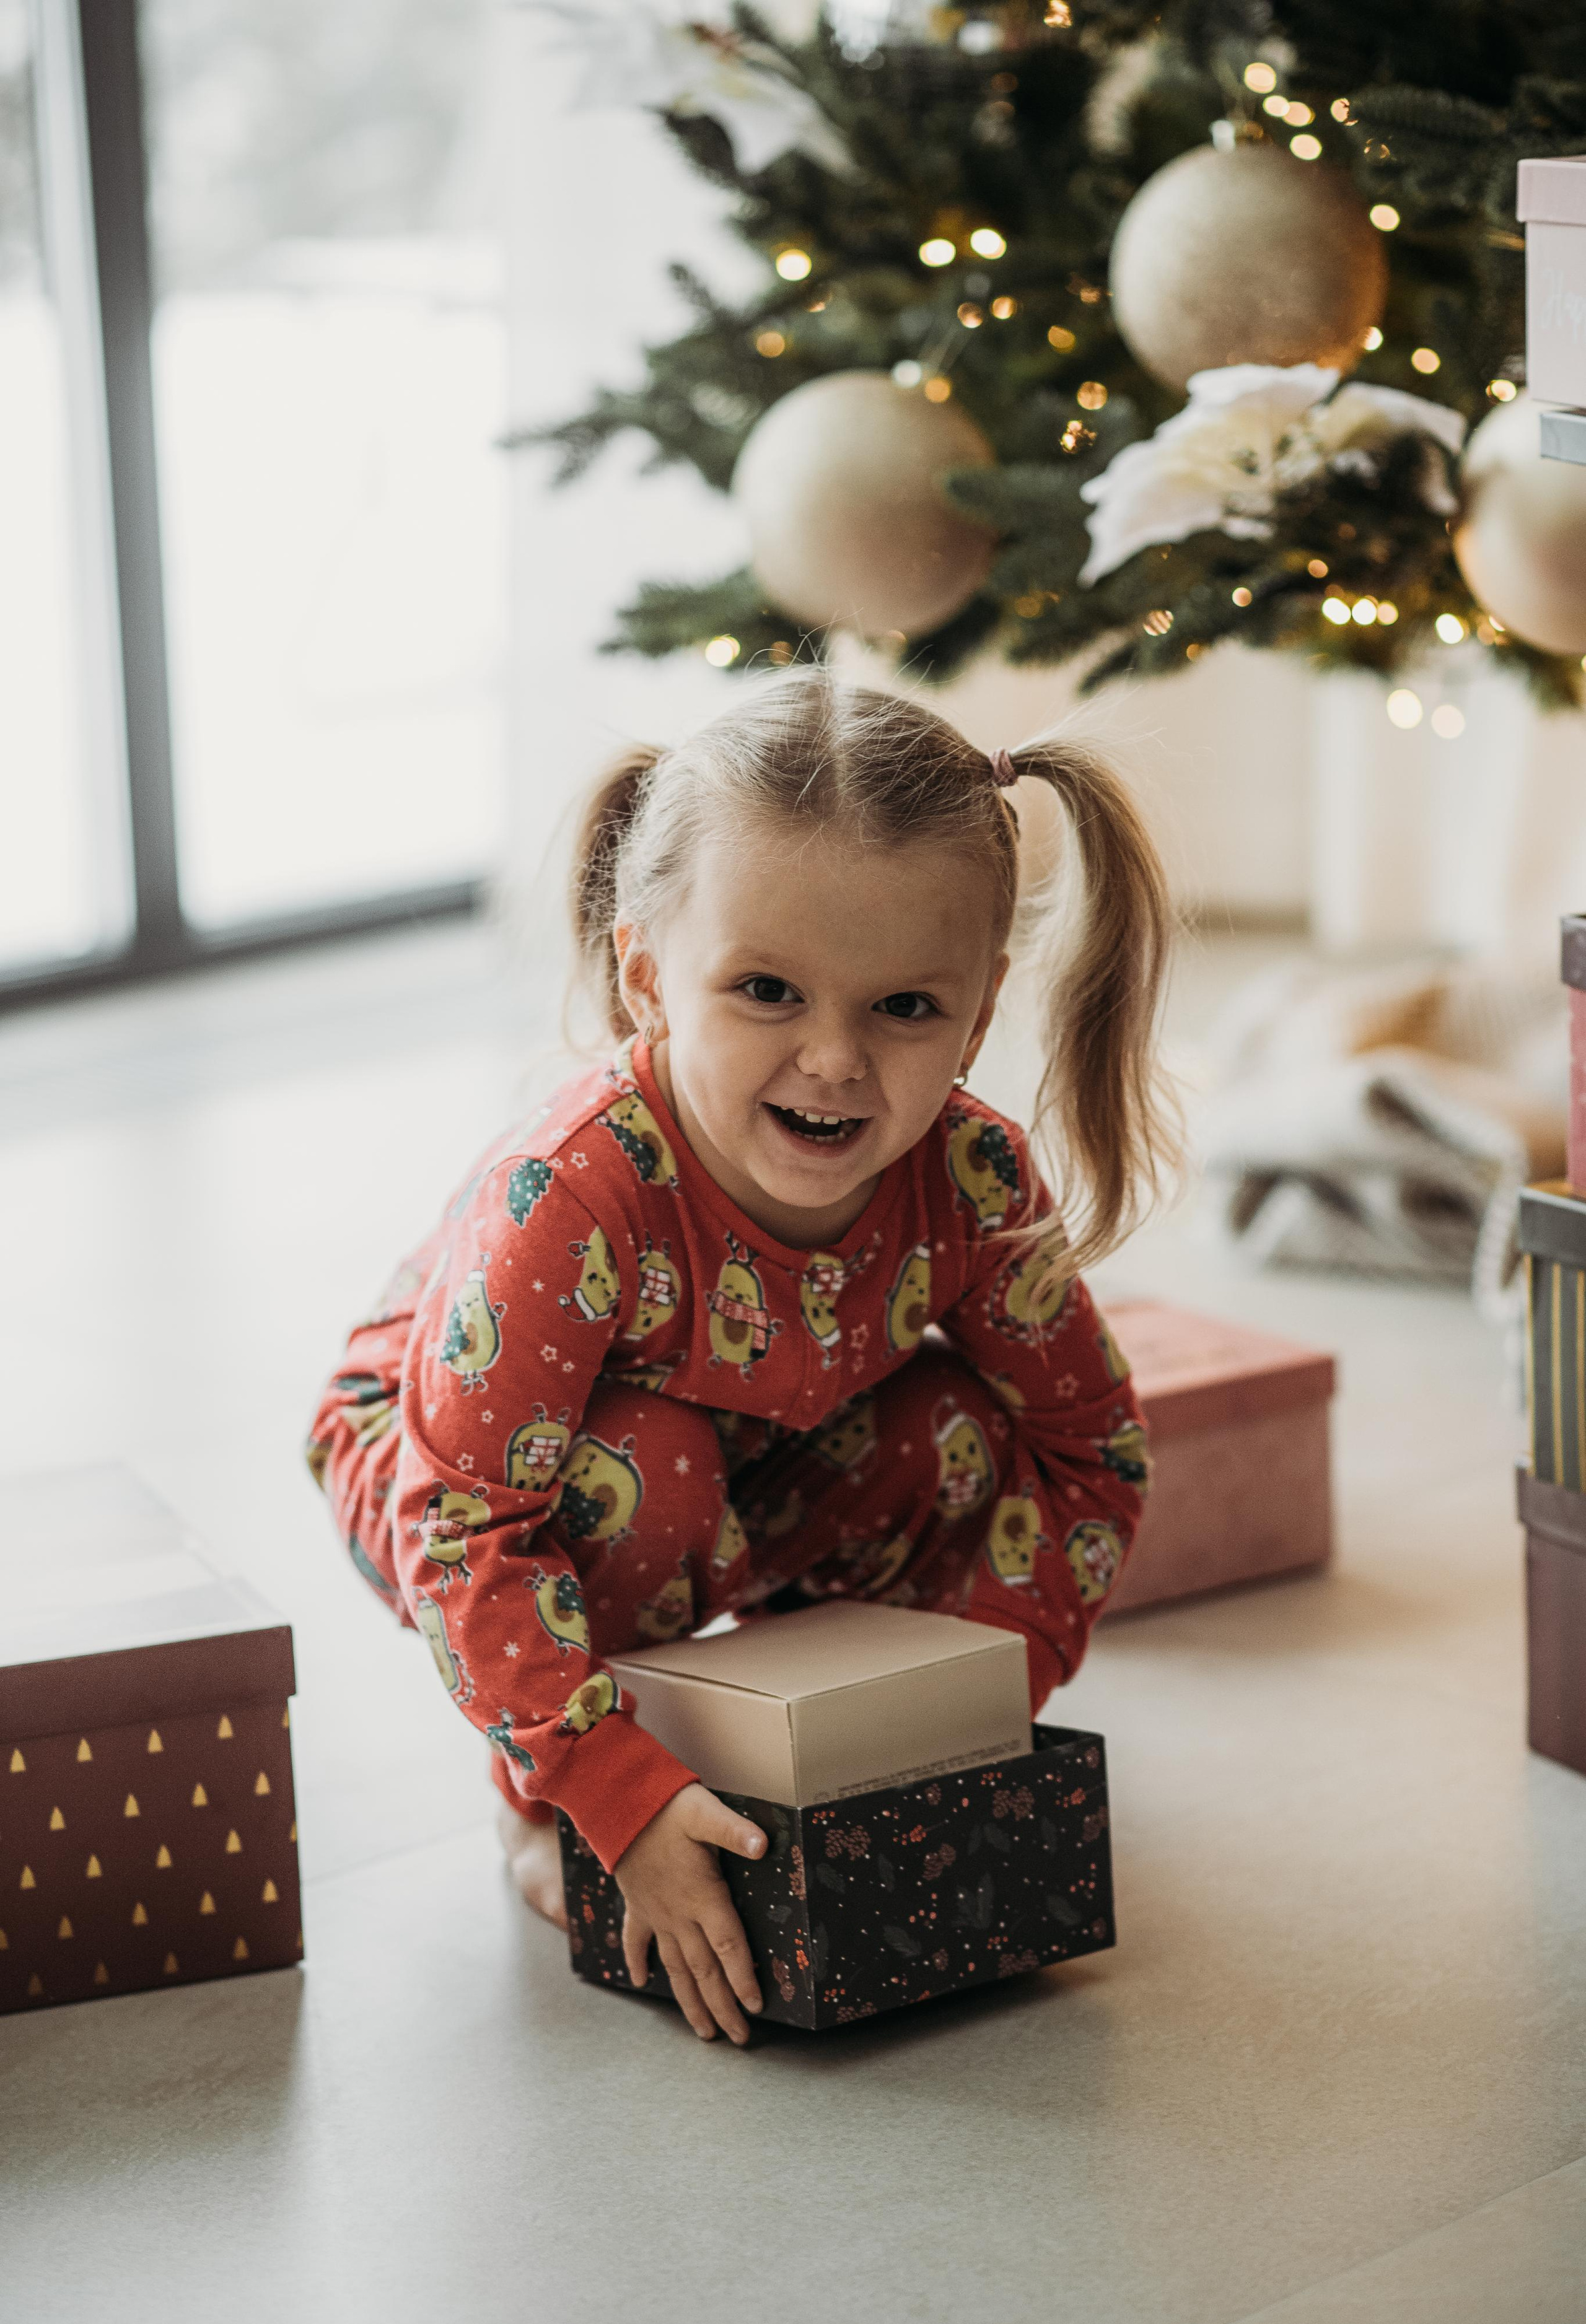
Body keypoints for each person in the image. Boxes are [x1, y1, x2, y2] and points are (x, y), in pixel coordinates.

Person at [308, 670, 1178, 2045]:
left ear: (979, 1013)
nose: (833, 1061)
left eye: (904, 1007)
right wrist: (612, 1795)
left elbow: (1090, 1455)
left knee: (952, 1428)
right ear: (649, 975)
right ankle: (537, 1802)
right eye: (766, 990)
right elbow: (462, 1521)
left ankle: (764, 1738)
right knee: (638, 1468)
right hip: (442, 1473)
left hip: (759, 1441)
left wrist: (956, 1708)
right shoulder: (575, 1194)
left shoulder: (970, 1176)